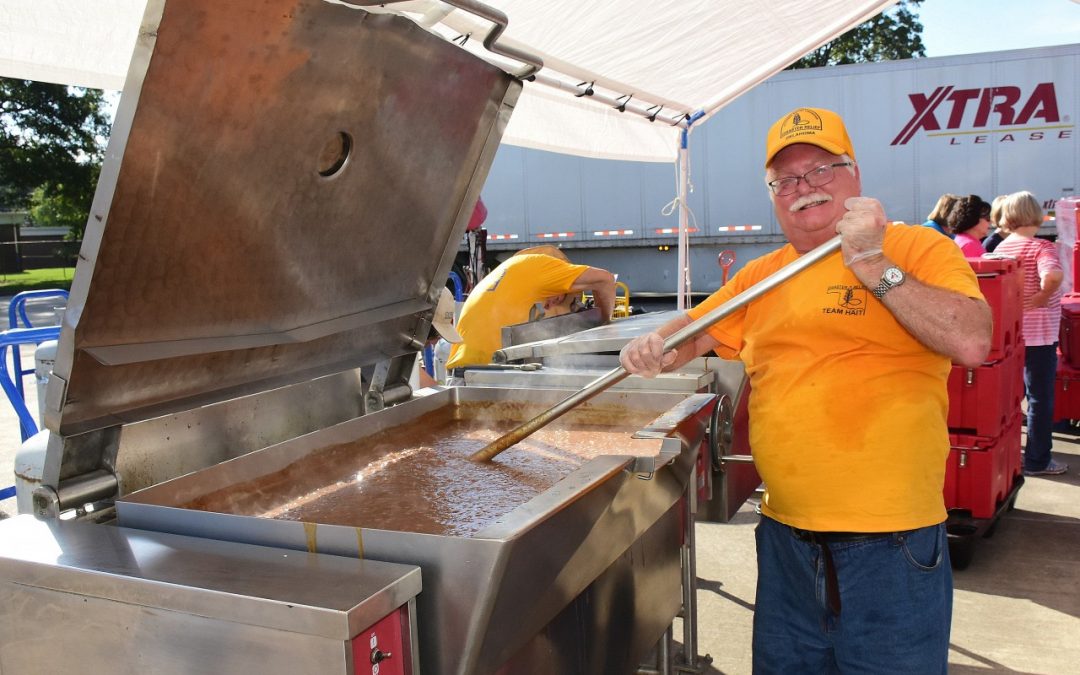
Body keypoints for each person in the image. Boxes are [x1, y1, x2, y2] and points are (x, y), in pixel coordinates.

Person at [619, 107, 991, 674]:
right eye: (786, 179)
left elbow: (970, 341)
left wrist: (870, 261)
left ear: (855, 174)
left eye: (821, 170)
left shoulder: (915, 248)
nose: (804, 188)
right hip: (786, 541)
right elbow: (690, 336)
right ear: (772, 194)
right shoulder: (763, 275)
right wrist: (653, 345)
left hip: (891, 545)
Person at [445, 245, 615, 370]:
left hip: (462, 372)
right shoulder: (543, 266)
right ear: (557, 297)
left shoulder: (512, 270)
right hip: (487, 373)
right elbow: (605, 279)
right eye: (570, 305)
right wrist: (604, 327)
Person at [994, 191, 1068, 476]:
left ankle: (1011, 456)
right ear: (1036, 215)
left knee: (1012, 399)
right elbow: (1052, 276)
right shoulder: (1041, 248)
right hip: (1039, 336)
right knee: (1039, 398)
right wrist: (1043, 294)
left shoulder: (1001, 250)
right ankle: (1037, 460)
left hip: (1011, 334)